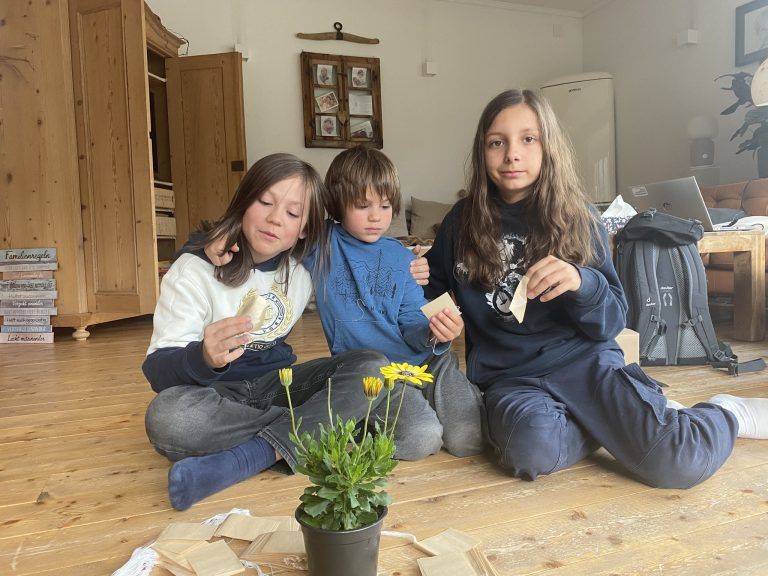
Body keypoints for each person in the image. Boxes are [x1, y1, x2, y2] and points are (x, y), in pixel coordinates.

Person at [424, 88, 768, 489]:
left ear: (549, 146)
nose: (512, 154)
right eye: (496, 142)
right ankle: (610, 423)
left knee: (678, 462)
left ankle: (727, 412)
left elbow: (613, 320)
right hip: (509, 377)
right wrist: (435, 314)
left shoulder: (577, 216)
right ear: (482, 151)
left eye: (528, 139)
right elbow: (431, 288)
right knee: (529, 452)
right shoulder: (460, 222)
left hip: (586, 362)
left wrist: (581, 282)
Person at [142, 153, 390, 511]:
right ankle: (322, 428)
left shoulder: (304, 263)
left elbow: (360, 237)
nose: (275, 219)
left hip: (281, 387)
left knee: (373, 367)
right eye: (265, 202)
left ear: (304, 229)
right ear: (245, 202)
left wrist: (412, 265)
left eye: (292, 213)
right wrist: (203, 358)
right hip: (215, 395)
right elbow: (157, 371)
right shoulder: (194, 270)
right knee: (169, 417)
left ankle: (246, 458)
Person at [204, 146, 484, 458]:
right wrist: (223, 234)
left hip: (430, 363)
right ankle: (357, 420)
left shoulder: (401, 256)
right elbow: (273, 232)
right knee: (421, 439)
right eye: (363, 205)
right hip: (376, 376)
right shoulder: (320, 242)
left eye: (385, 205)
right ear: (337, 204)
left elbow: (412, 320)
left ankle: (467, 400)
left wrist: (434, 332)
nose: (376, 216)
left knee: (470, 440)